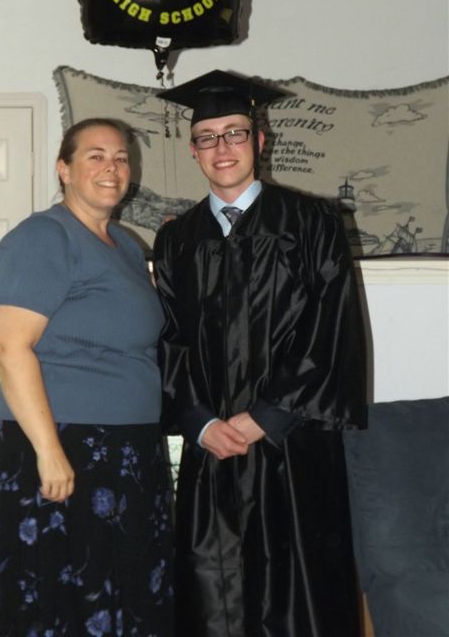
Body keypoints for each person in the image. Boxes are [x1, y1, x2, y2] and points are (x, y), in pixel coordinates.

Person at [153, 71, 367, 637]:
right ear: (193, 149)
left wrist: (267, 416)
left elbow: (332, 328)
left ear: (260, 140)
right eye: (207, 137)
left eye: (235, 133)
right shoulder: (176, 240)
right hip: (212, 451)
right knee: (211, 595)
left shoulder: (313, 223)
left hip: (291, 446)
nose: (222, 147)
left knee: (299, 595)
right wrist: (199, 423)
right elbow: (168, 339)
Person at [0, 118, 174, 637]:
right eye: (95, 156)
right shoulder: (43, 236)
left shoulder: (126, 246)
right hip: (66, 442)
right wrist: (48, 451)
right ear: (63, 169)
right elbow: (8, 345)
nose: (112, 168)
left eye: (121, 158)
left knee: (130, 592)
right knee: (65, 598)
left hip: (129, 448)